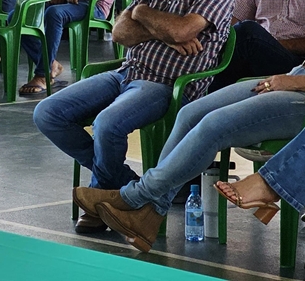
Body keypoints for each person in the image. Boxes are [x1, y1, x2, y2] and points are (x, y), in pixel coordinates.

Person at [35, 0, 233, 235]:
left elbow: (185, 31)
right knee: (47, 113)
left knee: (108, 123)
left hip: (167, 84)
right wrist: (155, 23)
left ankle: (100, 200)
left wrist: (146, 16)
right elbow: (119, 31)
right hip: (127, 72)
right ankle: (125, 188)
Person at [73, 66, 305, 253]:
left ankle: (134, 195)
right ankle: (150, 216)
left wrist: (294, 83)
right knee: (189, 114)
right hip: (296, 75)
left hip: (299, 89)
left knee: (214, 125)